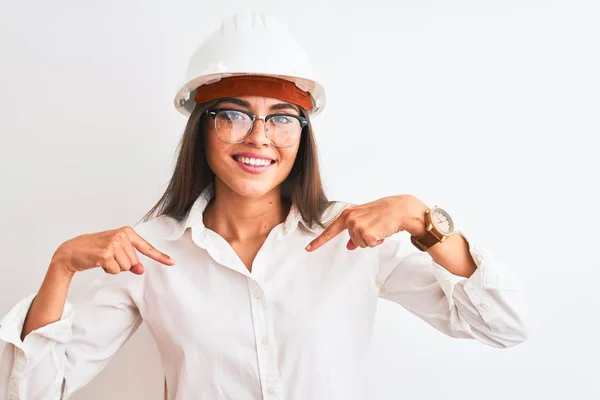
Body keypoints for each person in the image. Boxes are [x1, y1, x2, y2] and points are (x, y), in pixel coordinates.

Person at [0, 11, 528, 400]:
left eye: (281, 117)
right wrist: (63, 266)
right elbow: (34, 390)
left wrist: (422, 220)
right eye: (233, 114)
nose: (259, 137)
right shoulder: (149, 254)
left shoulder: (354, 238)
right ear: (200, 128)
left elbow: (503, 326)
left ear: (302, 134)